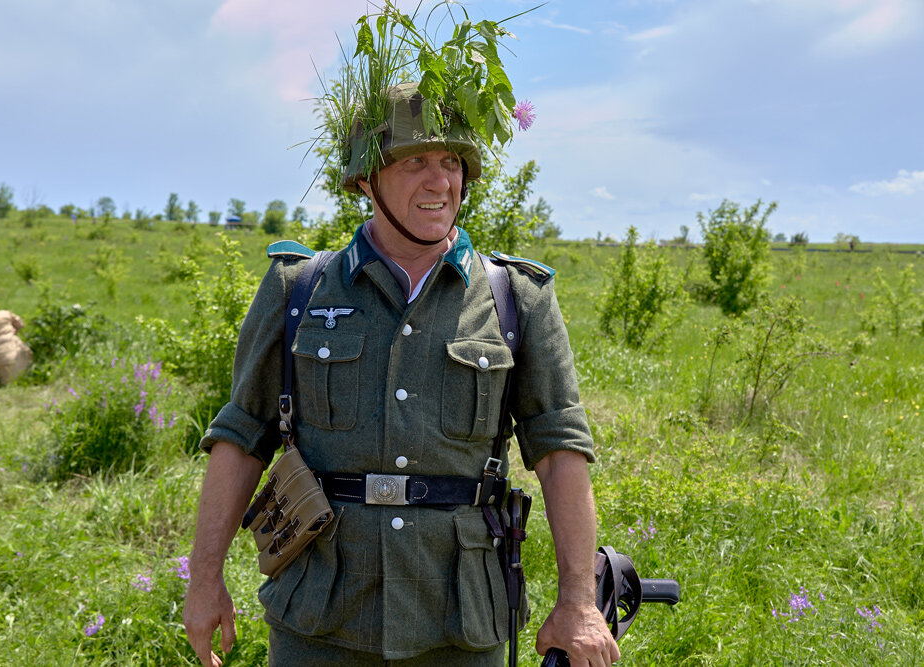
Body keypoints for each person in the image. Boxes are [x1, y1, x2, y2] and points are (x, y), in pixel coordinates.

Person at [182, 83, 618, 667]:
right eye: (415, 162)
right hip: (321, 616)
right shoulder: (300, 289)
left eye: (451, 163)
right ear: (366, 180)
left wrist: (578, 604)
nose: (439, 182)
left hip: (460, 621)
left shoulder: (516, 299)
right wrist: (204, 578)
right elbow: (241, 438)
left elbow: (561, 451)